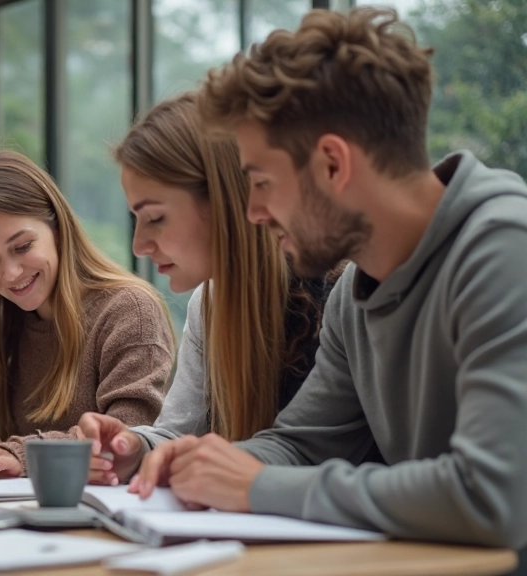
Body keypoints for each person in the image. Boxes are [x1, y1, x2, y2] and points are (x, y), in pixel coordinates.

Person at [134, 7, 527, 548]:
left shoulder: (505, 250)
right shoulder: (354, 295)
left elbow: (493, 496)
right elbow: (301, 445)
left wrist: (260, 485)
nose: (252, 212)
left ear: (333, 165)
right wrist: (204, 461)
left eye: (262, 182)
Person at [77, 92, 349, 485]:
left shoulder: (341, 294)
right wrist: (134, 449)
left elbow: (313, 451)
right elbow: (180, 431)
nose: (139, 245)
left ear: (223, 202)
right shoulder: (211, 301)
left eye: (154, 217)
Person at [0, 150, 175, 478]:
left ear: (57, 228)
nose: (11, 273)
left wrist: (19, 453)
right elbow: (25, 458)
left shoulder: (130, 311)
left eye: (22, 246)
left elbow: (125, 440)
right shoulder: (6, 324)